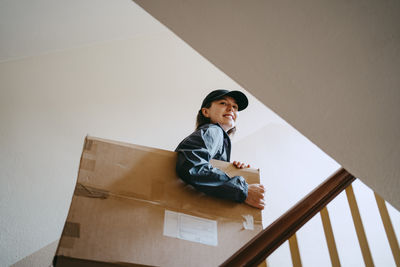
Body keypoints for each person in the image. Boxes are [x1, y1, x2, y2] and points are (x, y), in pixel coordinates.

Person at [175, 89, 265, 209]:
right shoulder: (213, 130)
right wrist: (242, 190)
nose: (231, 109)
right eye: (223, 103)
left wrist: (230, 169)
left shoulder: (220, 139)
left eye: (235, 106)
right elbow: (191, 166)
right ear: (206, 112)